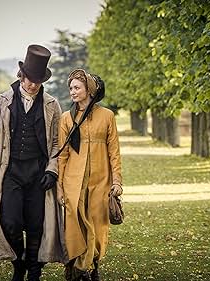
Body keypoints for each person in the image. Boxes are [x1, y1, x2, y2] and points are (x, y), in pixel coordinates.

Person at [0, 44, 67, 281]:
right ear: (21, 75)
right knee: (10, 221)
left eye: (37, 80)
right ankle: (19, 263)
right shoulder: (3, 101)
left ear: (42, 80)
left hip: (38, 171)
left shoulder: (52, 105)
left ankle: (34, 271)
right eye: (29, 79)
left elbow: (56, 143)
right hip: (11, 170)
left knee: (36, 223)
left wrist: (52, 170)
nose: (32, 84)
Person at [56, 69, 123, 281]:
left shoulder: (107, 117)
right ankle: (78, 266)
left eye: (77, 88)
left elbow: (114, 152)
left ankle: (93, 264)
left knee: (98, 223)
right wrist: (59, 185)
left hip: (101, 181)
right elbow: (63, 155)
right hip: (73, 182)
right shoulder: (67, 118)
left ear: (89, 90)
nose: (72, 92)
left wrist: (117, 181)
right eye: (71, 88)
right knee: (75, 223)